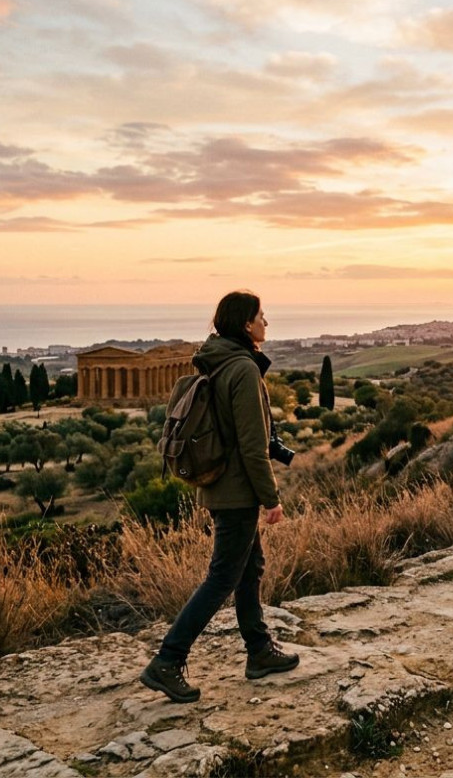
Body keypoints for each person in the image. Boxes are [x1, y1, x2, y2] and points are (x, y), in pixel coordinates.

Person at [140, 290, 299, 703]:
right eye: (262, 316)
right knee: (222, 577)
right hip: (237, 493)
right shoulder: (243, 368)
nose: (267, 322)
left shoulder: (218, 360)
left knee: (249, 569)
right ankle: (167, 661)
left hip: (222, 488)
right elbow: (252, 445)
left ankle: (259, 652)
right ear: (247, 325)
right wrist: (271, 498)